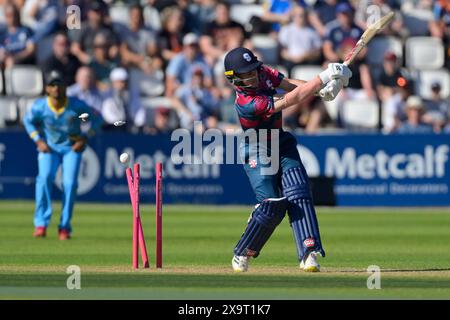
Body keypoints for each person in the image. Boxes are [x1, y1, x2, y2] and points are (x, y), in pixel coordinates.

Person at [223, 47, 351, 272]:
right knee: (272, 207)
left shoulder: (261, 72)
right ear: (234, 79)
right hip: (257, 150)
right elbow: (290, 99)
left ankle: (309, 253)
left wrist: (321, 91)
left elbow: (288, 84)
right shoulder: (247, 103)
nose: (253, 75)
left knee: (299, 192)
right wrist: (322, 77)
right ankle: (243, 252)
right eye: (246, 74)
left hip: (281, 143)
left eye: (253, 70)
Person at [23, 70, 103, 240]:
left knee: (70, 183)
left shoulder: (76, 105)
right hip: (50, 148)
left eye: (60, 84)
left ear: (66, 87)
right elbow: (27, 121)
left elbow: (97, 119)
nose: (57, 88)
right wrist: (38, 140)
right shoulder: (40, 106)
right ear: (47, 88)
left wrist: (86, 138)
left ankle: (65, 227)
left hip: (70, 149)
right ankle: (41, 224)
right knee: (44, 178)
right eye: (53, 85)